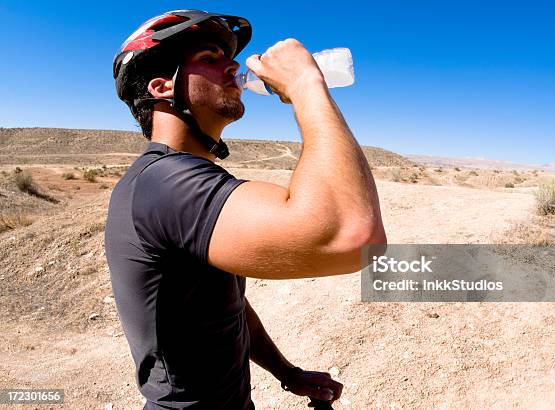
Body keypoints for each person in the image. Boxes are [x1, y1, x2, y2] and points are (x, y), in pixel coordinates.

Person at [105, 9, 386, 410]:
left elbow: (225, 303)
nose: (233, 65)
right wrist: (306, 84)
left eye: (228, 57)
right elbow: (352, 237)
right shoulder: (164, 184)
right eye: (210, 57)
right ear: (162, 86)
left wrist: (286, 372)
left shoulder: (178, 178)